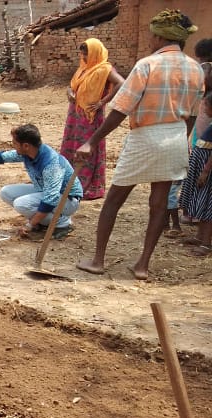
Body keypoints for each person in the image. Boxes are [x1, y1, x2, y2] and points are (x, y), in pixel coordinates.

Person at [74, 9, 203, 280]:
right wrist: (180, 138)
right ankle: (142, 265)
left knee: (114, 200)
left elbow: (121, 108)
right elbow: (192, 114)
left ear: (158, 37)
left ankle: (98, 260)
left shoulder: (147, 65)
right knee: (158, 204)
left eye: (150, 35)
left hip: (145, 137)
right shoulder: (196, 69)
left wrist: (92, 141)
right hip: (176, 136)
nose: (148, 40)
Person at [0, 124, 83, 239]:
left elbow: (50, 199)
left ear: (25, 145)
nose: (13, 146)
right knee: (6, 192)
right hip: (45, 190)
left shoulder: (51, 164)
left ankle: (63, 223)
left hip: (67, 199)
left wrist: (30, 225)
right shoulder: (27, 152)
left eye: (15, 143)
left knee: (21, 204)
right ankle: (44, 222)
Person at [59, 38, 124, 200]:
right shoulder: (83, 68)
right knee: (72, 145)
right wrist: (70, 92)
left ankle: (85, 184)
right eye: (81, 54)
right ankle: (68, 181)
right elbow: (73, 85)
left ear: (95, 53)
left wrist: (103, 102)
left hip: (90, 116)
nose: (83, 57)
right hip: (75, 114)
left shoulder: (104, 69)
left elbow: (121, 83)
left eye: (86, 54)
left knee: (87, 147)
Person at [181, 38, 212, 226]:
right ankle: (197, 211)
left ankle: (195, 212)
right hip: (204, 114)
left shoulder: (205, 69)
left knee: (201, 163)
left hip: (205, 120)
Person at [178, 94, 212, 257]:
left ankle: (206, 244)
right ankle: (200, 237)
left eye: (206, 106)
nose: (204, 110)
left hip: (207, 168)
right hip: (202, 164)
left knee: (207, 206)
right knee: (201, 201)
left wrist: (206, 170)